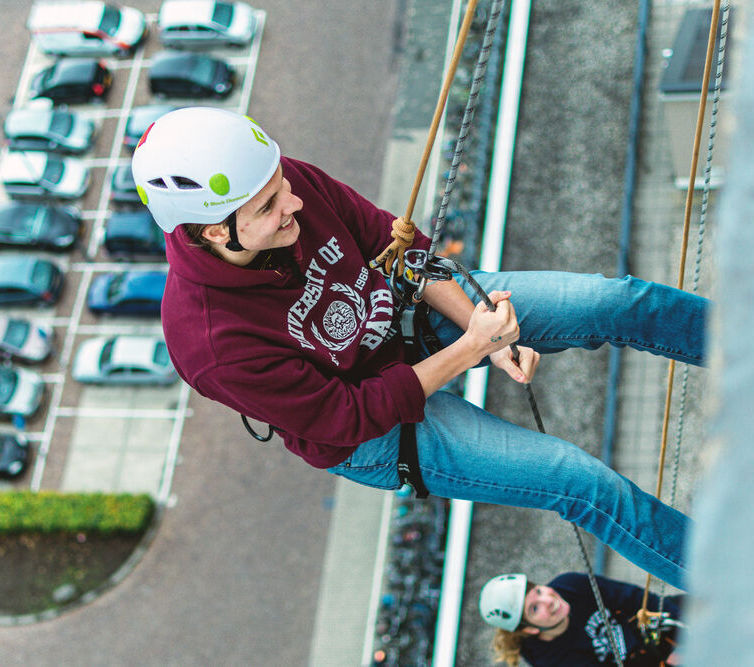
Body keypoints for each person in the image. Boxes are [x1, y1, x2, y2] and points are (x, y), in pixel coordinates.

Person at [131, 107, 707, 590]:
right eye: (268, 208)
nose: (293, 204)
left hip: (407, 313)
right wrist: (473, 346)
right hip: (370, 431)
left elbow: (391, 243)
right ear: (214, 231)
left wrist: (483, 328)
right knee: (579, 481)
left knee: (614, 302)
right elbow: (347, 415)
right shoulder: (209, 342)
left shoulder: (280, 185)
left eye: (282, 185)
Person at [479, 572, 684, 666]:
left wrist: (683, 626)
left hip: (651, 627)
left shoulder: (570, 585)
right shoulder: (553, 661)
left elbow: (635, 597)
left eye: (539, 591)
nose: (548, 600)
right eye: (535, 608)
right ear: (530, 629)